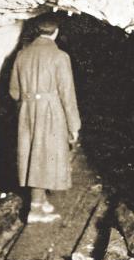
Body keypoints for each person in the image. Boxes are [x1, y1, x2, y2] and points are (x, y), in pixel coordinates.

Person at [9, 15, 81, 224]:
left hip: (28, 111)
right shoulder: (60, 57)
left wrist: (30, 101)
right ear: (56, 32)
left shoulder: (22, 55)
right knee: (46, 155)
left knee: (33, 155)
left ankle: (39, 201)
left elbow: (14, 91)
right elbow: (67, 94)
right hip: (51, 111)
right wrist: (73, 124)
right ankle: (35, 210)